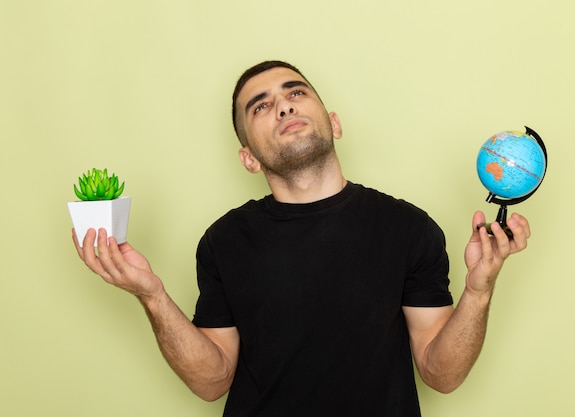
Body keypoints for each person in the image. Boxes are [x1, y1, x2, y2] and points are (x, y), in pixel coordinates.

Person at [73, 60, 531, 417]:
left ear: (333, 123)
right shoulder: (223, 241)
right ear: (248, 158)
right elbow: (213, 382)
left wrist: (479, 291)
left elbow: (441, 373)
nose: (284, 106)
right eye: (261, 106)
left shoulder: (409, 228)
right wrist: (152, 297)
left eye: (295, 93)